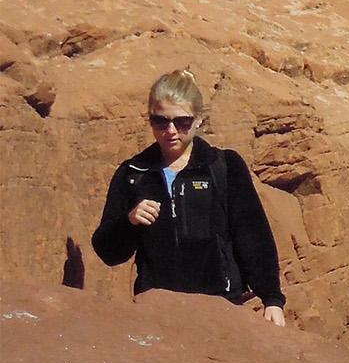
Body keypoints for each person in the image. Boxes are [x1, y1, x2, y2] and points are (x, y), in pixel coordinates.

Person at [91, 70, 286, 324]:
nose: (170, 131)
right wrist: (129, 221)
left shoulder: (223, 166)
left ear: (198, 121)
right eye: (161, 121)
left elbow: (253, 235)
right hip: (158, 310)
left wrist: (271, 299)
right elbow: (108, 252)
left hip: (222, 306)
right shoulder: (134, 174)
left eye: (181, 122)